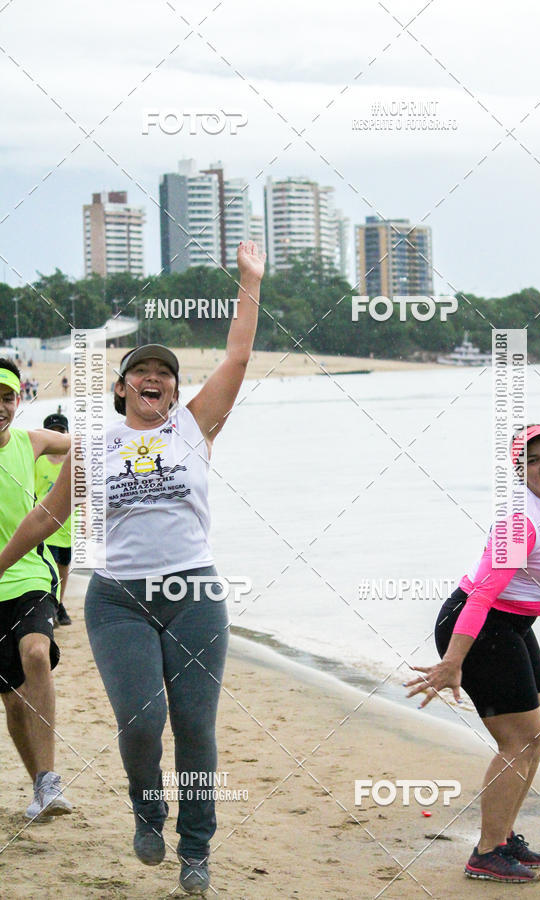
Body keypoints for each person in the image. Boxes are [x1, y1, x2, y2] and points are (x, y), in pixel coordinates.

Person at [0, 241, 266, 894]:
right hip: (119, 600)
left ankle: (195, 850)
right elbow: (45, 520)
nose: (157, 380)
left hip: (195, 593)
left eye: (166, 374)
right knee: (143, 721)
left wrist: (250, 282)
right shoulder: (97, 447)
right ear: (122, 387)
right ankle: (148, 810)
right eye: (143, 373)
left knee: (196, 727)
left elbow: (236, 355)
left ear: (174, 388)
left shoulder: (195, 428)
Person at [406, 424, 540, 883]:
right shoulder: (521, 523)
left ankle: (504, 836)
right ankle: (486, 853)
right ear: (519, 473)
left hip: (513, 625)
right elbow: (480, 597)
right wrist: (453, 662)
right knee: (520, 737)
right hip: (478, 626)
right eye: (533, 461)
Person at [0, 358, 73, 821]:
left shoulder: (31, 441)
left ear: (18, 400)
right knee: (10, 696)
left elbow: (84, 445)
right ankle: (39, 789)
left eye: (6, 398)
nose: (0, 407)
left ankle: (49, 780)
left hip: (29, 574)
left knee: (35, 654)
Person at [34, 413, 73, 626]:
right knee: (47, 567)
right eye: (53, 432)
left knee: (63, 567)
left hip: (66, 524)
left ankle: (60, 603)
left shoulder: (73, 460)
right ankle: (49, 606)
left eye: (61, 432)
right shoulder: (38, 460)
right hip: (44, 523)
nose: (57, 436)